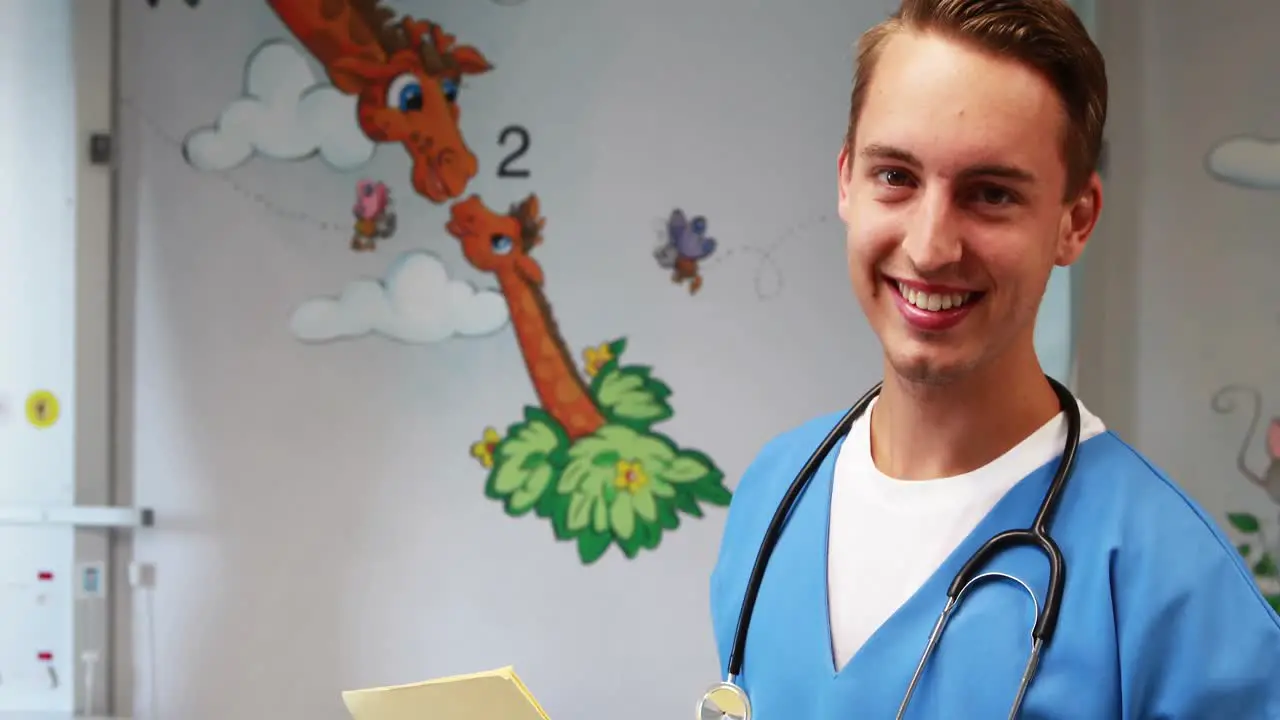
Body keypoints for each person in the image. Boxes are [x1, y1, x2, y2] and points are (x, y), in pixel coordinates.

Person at [707, 0, 1280, 717]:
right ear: (846, 180)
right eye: (897, 176)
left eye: (991, 194)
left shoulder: (1168, 584)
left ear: (1076, 221)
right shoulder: (775, 495)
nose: (929, 246)